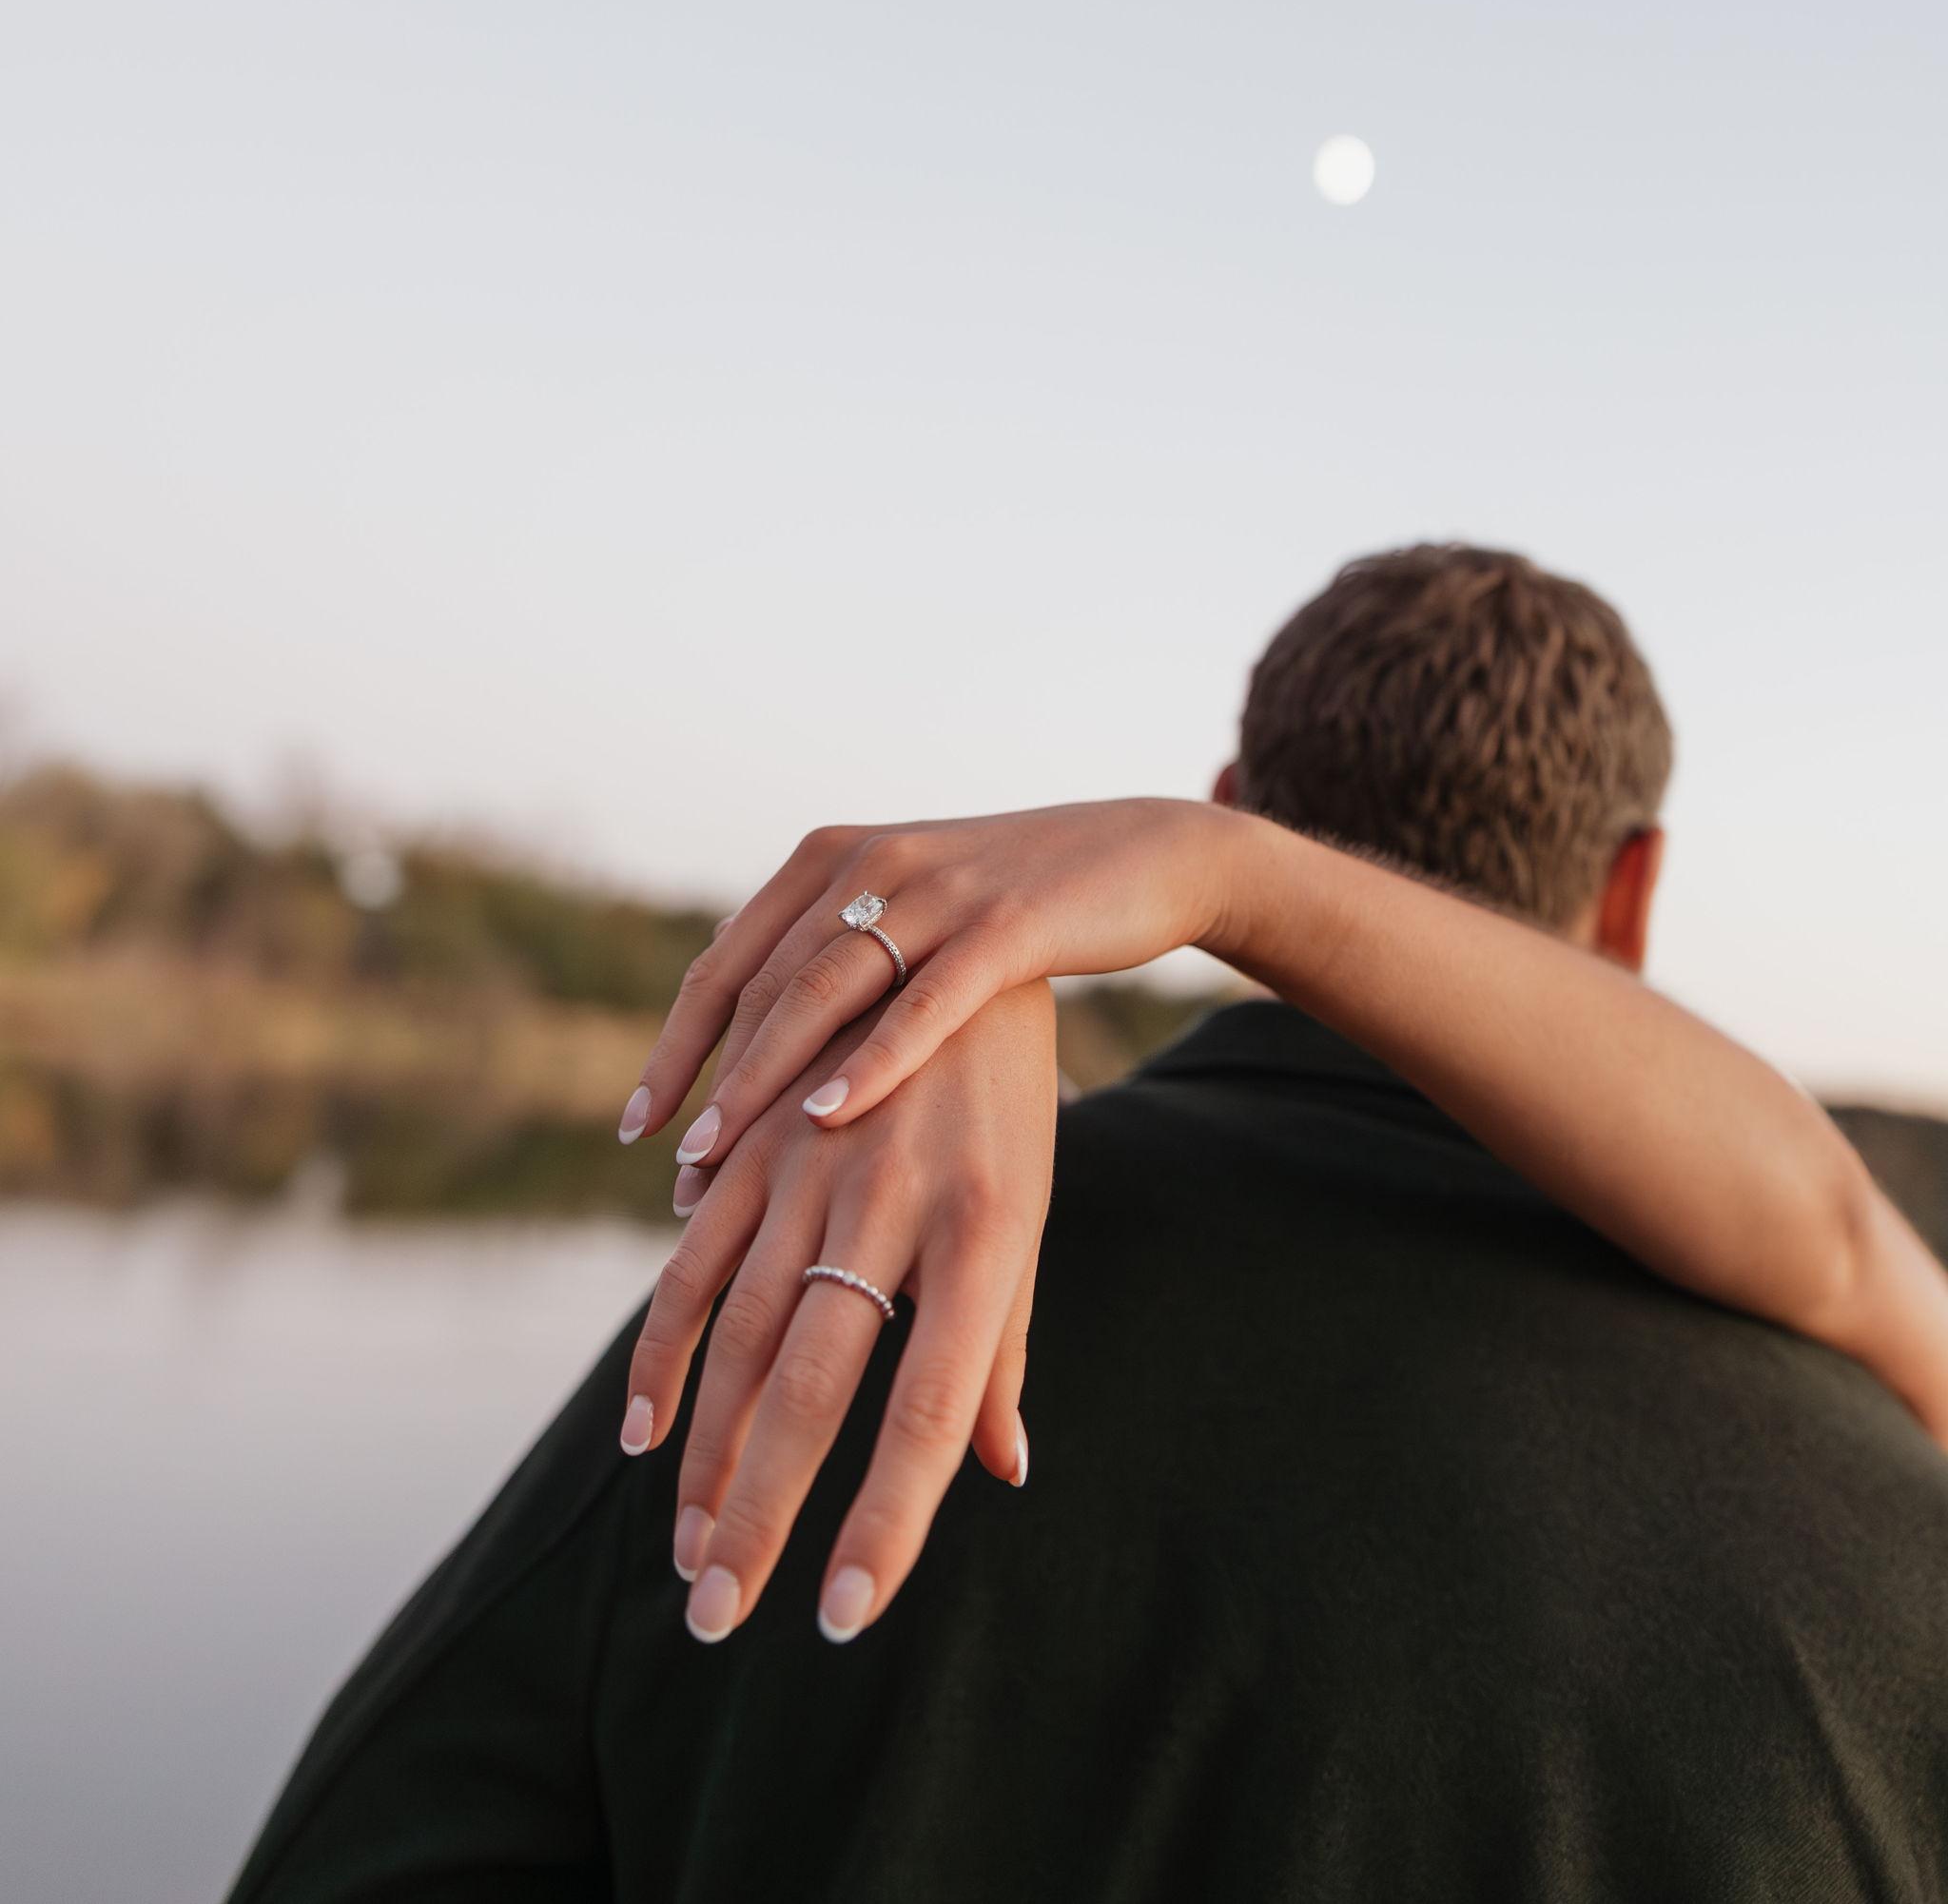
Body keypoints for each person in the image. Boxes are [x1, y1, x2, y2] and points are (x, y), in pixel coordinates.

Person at [229, 546, 1948, 1903]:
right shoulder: (1893, 1485)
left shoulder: (786, 1321)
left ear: (1239, 788)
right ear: (1633, 889)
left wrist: (1140, 911)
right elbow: (1847, 1242)